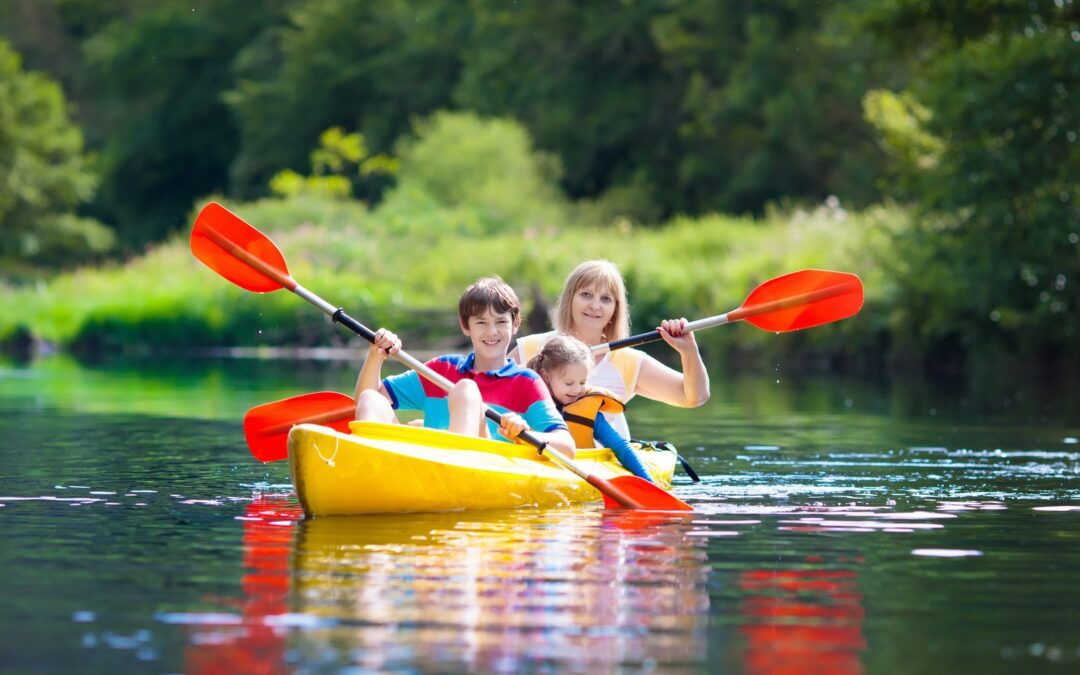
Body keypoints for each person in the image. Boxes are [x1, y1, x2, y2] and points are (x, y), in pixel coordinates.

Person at [354, 276, 576, 456]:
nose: (492, 332)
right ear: (465, 326)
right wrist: (376, 354)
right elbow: (367, 399)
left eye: (501, 322)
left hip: (480, 470)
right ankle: (370, 469)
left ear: (515, 324)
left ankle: (454, 465)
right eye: (481, 322)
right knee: (371, 398)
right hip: (425, 467)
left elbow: (567, 446)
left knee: (466, 390)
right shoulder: (441, 369)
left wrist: (524, 432)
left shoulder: (526, 382)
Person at [511, 259, 710, 437]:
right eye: (586, 295)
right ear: (570, 299)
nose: (595, 306)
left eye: (606, 299)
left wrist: (689, 351)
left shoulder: (627, 361)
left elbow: (694, 397)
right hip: (538, 453)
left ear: (616, 309)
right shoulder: (532, 348)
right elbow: (485, 385)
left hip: (601, 462)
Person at [527, 333, 654, 482]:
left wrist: (649, 482)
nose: (577, 390)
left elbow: (620, 446)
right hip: (532, 467)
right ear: (546, 376)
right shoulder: (529, 401)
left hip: (576, 473)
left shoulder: (588, 410)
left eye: (582, 382)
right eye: (569, 383)